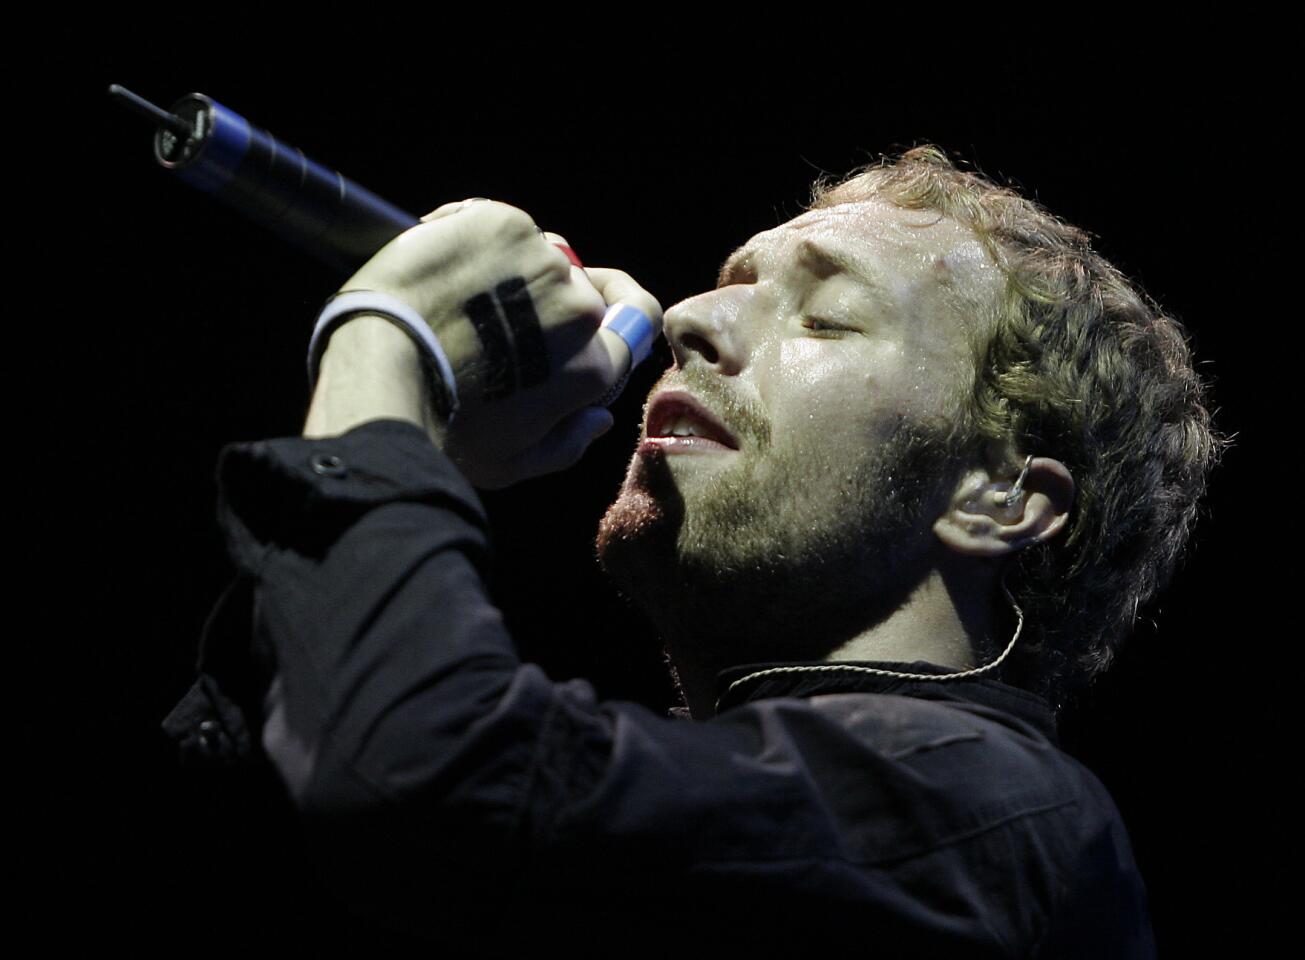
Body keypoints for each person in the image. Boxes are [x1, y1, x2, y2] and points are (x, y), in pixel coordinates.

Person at [165, 147, 1218, 957]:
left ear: (998, 499)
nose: (688, 318)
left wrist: (388, 346)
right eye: (729, 282)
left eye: (829, 316)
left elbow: (427, 778)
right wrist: (420, 447)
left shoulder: (993, 818)